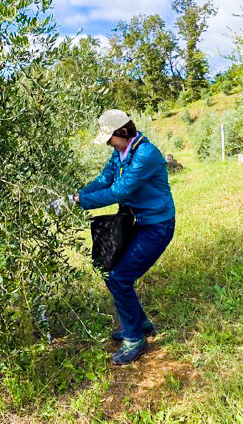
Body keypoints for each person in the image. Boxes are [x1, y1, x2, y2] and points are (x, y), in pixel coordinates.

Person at [73, 109, 175, 365]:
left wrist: (82, 201)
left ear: (122, 132)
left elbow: (119, 190)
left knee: (120, 277)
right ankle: (140, 324)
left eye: (110, 138)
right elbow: (104, 180)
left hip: (156, 226)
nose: (107, 142)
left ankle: (135, 340)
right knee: (113, 274)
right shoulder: (120, 152)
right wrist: (78, 195)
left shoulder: (146, 155)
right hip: (135, 223)